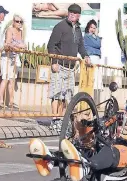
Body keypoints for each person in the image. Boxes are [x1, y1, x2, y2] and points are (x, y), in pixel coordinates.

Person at [29, 92, 127, 181]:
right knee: (88, 148)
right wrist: (83, 127)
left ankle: (84, 167)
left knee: (116, 151)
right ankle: (49, 160)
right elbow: (91, 139)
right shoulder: (118, 126)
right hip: (108, 149)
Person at [47, 3, 90, 132]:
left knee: (67, 96)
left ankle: (63, 121)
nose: (72, 15)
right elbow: (51, 45)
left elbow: (81, 46)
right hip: (59, 65)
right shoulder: (60, 27)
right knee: (56, 94)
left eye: (75, 13)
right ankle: (54, 120)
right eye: (70, 12)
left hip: (71, 68)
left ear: (78, 16)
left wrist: (85, 56)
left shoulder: (78, 29)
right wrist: (54, 61)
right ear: (68, 13)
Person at [0, 14, 26, 109]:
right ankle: (1, 101)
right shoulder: (10, 30)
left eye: (20, 21)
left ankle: (11, 102)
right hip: (7, 57)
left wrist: (20, 47)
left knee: (12, 80)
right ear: (13, 22)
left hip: (14, 58)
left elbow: (23, 45)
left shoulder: (21, 32)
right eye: (17, 21)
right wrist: (18, 47)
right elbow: (8, 43)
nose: (19, 23)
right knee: (5, 79)